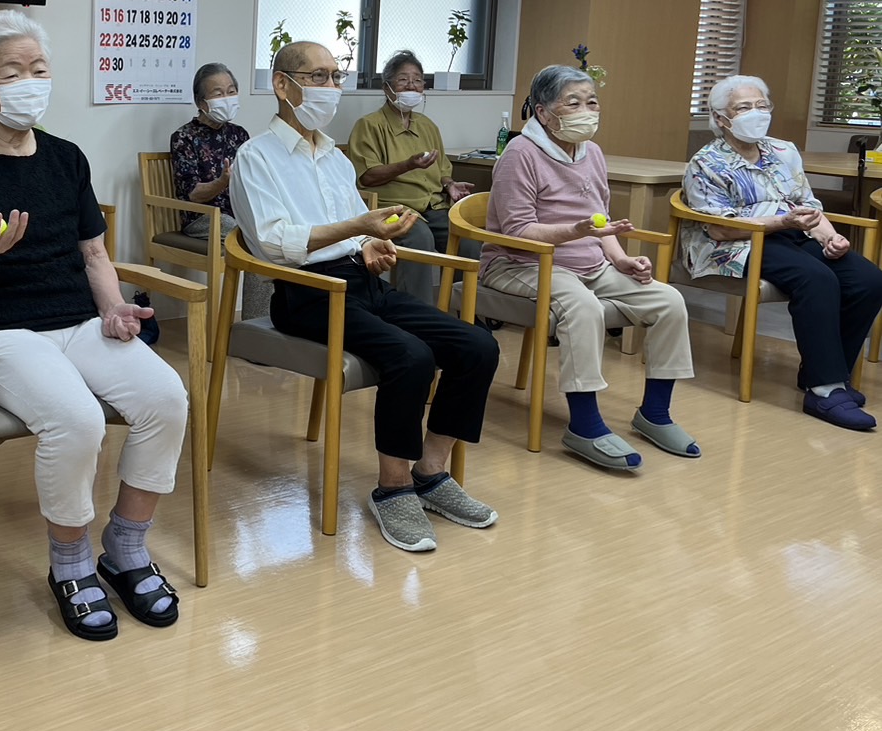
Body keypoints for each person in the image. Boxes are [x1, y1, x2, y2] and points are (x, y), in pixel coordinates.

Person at [0, 9, 189, 641]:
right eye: (12, 71)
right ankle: (70, 563)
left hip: (78, 321)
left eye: (38, 69)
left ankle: (125, 547)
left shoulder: (66, 158)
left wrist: (113, 308)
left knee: (166, 397)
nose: (30, 82)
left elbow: (94, 253)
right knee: (77, 419)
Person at [232, 40, 500, 553]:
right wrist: (358, 228)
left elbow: (353, 230)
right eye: (318, 77)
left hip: (361, 282)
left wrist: (371, 242)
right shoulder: (256, 156)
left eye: (336, 76)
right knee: (411, 356)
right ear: (282, 85)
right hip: (307, 292)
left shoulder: (334, 158)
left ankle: (431, 474)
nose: (331, 87)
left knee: (477, 346)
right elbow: (271, 242)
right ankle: (393, 488)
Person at [480, 64, 701, 470]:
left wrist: (621, 259)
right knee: (584, 308)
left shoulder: (592, 153)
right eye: (573, 103)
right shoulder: (520, 154)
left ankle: (655, 414)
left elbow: (601, 220)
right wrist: (576, 231)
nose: (587, 111)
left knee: (668, 300)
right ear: (543, 112)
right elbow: (518, 230)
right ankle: (583, 425)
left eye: (592, 102)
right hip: (520, 263)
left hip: (588, 265)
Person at [684, 75, 882, 431]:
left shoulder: (783, 150)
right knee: (816, 279)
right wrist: (781, 222)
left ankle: (823, 372)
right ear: (720, 118)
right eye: (744, 107)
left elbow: (807, 204)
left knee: (867, 279)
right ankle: (825, 390)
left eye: (762, 105)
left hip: (791, 233)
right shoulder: (706, 162)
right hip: (736, 244)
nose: (756, 113)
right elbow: (721, 228)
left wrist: (830, 238)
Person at [347, 50, 475, 304]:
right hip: (390, 208)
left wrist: (450, 185)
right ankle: (417, 311)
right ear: (386, 87)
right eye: (403, 80)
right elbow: (366, 178)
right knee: (419, 238)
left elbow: (443, 171)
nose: (411, 86)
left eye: (417, 80)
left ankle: (465, 310)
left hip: (433, 205)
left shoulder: (427, 125)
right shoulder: (369, 125)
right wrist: (407, 165)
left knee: (467, 239)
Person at [169, 62, 270, 319]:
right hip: (203, 218)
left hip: (239, 215)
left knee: (276, 234)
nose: (227, 98)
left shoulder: (239, 135)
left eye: (231, 91)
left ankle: (270, 322)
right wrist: (222, 182)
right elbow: (192, 194)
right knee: (256, 241)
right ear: (200, 102)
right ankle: (254, 326)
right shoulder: (184, 137)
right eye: (218, 93)